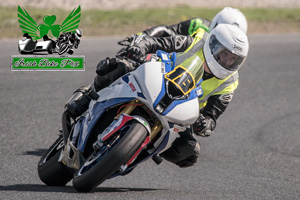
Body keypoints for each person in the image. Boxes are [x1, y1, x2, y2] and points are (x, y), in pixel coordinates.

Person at [66, 23, 249, 168]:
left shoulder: (229, 83)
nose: (227, 61)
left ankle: (139, 148)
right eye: (225, 55)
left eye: (234, 59)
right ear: (213, 45)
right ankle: (88, 97)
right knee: (119, 65)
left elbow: (212, 117)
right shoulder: (196, 42)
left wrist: (205, 124)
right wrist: (140, 48)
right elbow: (158, 43)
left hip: (180, 111)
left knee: (189, 153)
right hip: (157, 79)